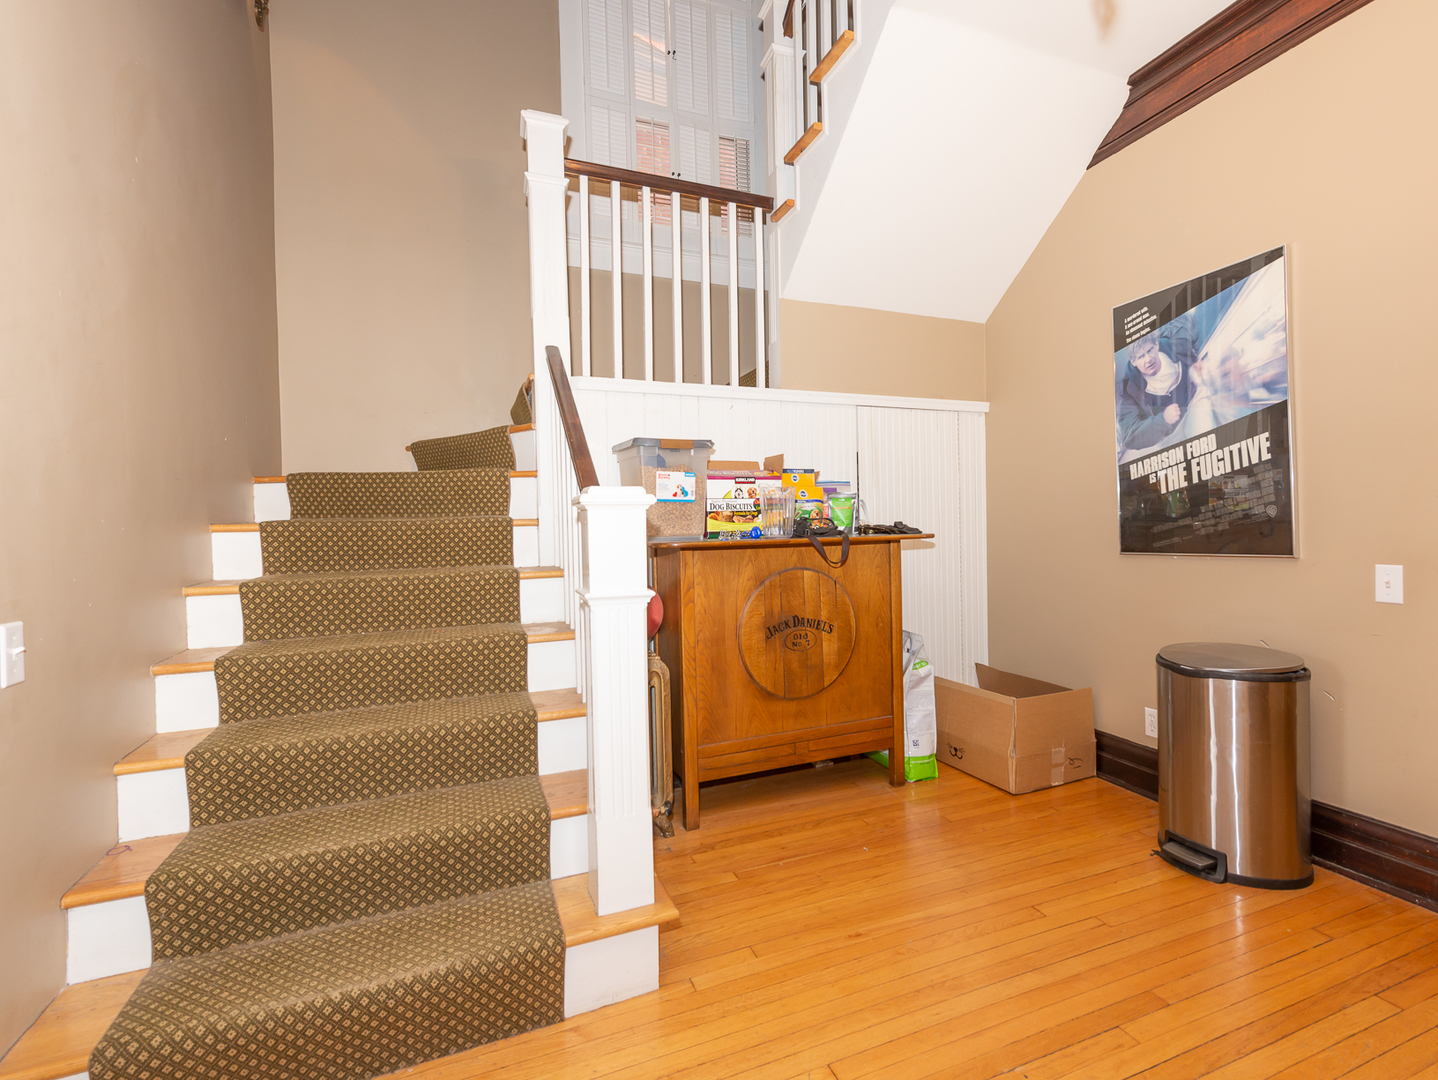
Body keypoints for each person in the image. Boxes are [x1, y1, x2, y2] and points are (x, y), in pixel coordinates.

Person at [1116, 321, 1201, 452]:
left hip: (1197, 407)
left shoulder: (1175, 346)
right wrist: (1163, 420)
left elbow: (1192, 337)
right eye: (1141, 356)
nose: (1148, 359)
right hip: (1172, 437)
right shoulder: (1129, 389)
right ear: (1133, 361)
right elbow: (1129, 436)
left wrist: (1196, 362)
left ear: (1156, 344)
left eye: (1149, 350)